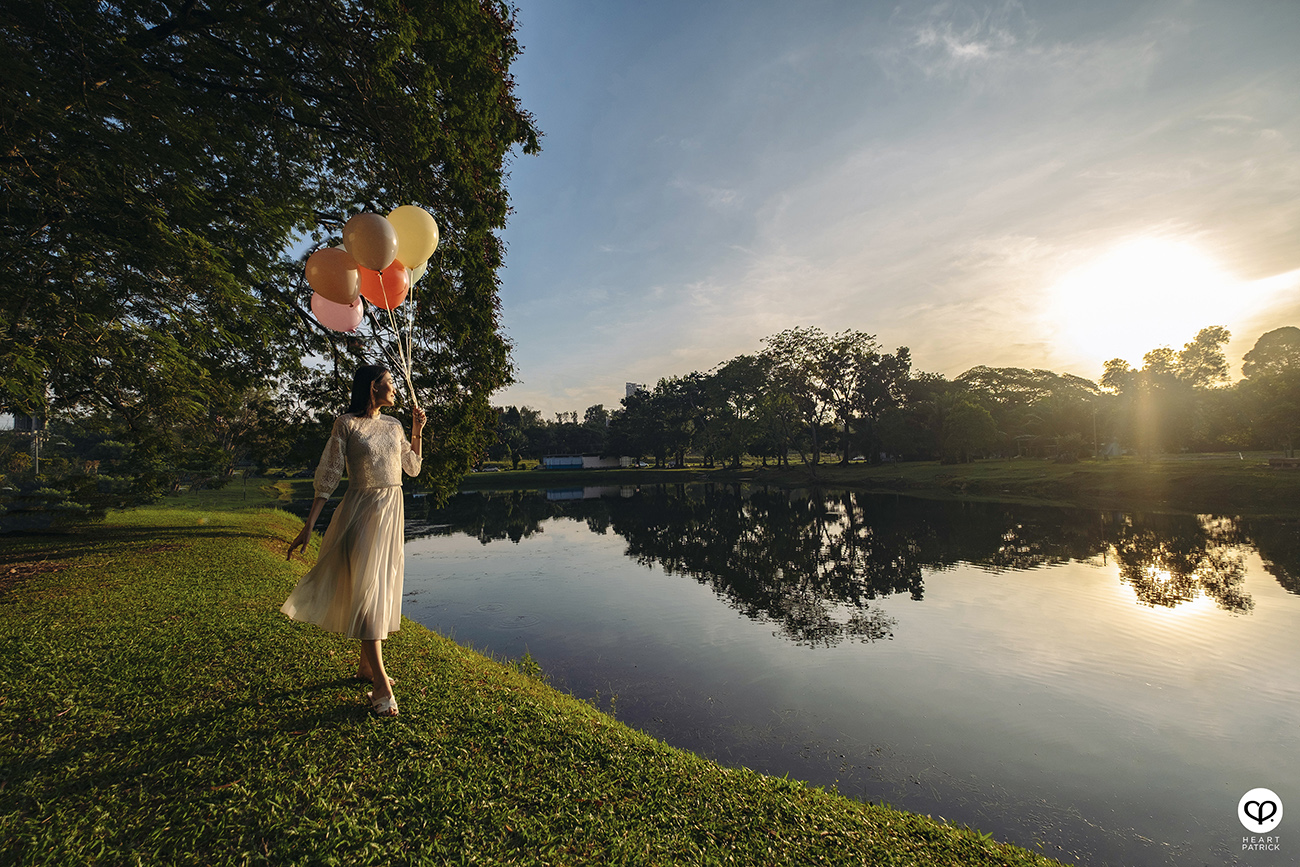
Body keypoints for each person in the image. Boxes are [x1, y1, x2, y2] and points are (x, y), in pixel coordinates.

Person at [283, 364, 426, 716]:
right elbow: (328, 477)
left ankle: (365, 666)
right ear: (372, 388)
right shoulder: (346, 424)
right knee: (367, 590)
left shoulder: (393, 426)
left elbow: (413, 468)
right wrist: (308, 526)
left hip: (392, 512)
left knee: (380, 586)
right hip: (362, 512)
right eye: (390, 383)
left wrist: (417, 430)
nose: (395, 389)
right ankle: (379, 681)